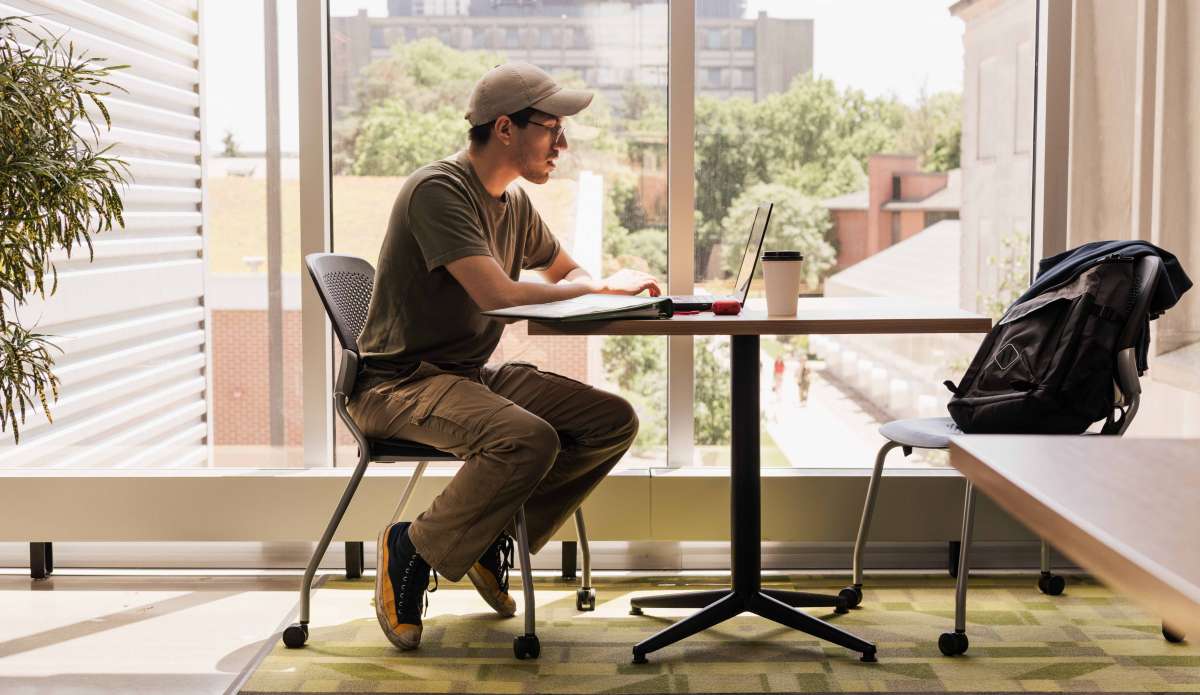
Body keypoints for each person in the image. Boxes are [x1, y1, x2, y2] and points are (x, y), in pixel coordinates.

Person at [348, 63, 660, 651]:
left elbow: (568, 271)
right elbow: (498, 294)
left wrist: (595, 284)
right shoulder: (438, 192)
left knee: (611, 421)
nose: (562, 145)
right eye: (552, 129)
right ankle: (410, 548)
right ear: (506, 129)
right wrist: (595, 291)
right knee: (528, 439)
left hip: (466, 378)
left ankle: (487, 537)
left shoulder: (513, 204)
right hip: (397, 385)